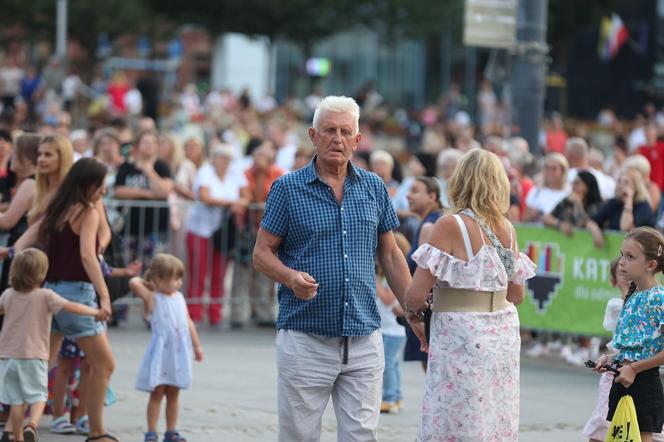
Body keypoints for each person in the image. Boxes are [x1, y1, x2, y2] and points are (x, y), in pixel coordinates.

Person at [253, 96, 418, 441]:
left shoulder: (374, 187)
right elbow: (262, 253)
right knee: (300, 437)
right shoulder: (287, 188)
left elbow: (390, 256)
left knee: (361, 436)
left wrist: (416, 314)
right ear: (313, 136)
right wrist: (290, 277)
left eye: (346, 132)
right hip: (305, 337)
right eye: (329, 130)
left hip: (363, 336)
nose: (337, 139)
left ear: (357, 140)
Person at [404, 148, 536, 441]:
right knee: (494, 412)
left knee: (455, 414)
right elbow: (517, 294)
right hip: (501, 331)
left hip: (460, 331)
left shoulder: (451, 225)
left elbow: (415, 295)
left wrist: (417, 313)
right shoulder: (507, 229)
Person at [9, 158, 117, 442]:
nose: (103, 191)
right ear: (89, 185)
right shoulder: (88, 212)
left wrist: (16, 267)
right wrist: (104, 297)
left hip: (49, 290)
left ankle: (14, 428)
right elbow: (87, 257)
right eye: (101, 185)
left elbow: (23, 242)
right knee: (104, 365)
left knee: (42, 363)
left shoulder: (57, 208)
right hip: (76, 292)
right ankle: (96, 431)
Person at [0, 248, 101, 442]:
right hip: (34, 356)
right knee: (38, 395)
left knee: (16, 400)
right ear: (42, 274)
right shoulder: (46, 295)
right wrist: (95, 312)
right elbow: (73, 307)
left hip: (8, 356)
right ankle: (32, 426)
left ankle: (14, 435)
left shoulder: (8, 295)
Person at [594, 227, 664, 442]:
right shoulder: (632, 296)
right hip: (622, 377)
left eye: (630, 257)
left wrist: (634, 368)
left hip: (643, 381)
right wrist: (611, 358)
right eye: (622, 254)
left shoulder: (659, 299)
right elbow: (629, 344)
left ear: (651, 265)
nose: (622, 262)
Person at [129, 254, 203, 442]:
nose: (179, 283)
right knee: (157, 393)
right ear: (159, 279)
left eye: (180, 278)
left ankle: (171, 431)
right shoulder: (153, 297)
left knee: (174, 393)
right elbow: (134, 282)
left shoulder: (179, 297)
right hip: (162, 354)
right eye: (175, 278)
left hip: (179, 353)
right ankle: (151, 432)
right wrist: (152, 284)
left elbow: (188, 322)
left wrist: (197, 345)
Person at [185, 143, 249, 325]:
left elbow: (246, 195)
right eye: (222, 158)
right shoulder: (205, 171)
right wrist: (232, 203)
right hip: (201, 230)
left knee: (219, 274)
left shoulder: (235, 172)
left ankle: (215, 313)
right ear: (214, 158)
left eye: (228, 158)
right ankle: (194, 312)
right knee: (199, 273)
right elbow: (204, 196)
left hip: (223, 233)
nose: (225, 162)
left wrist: (241, 201)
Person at [403, 177, 444, 371]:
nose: (409, 195)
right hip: (429, 308)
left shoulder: (430, 226)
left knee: (432, 372)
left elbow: (426, 275)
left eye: (415, 191)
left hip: (427, 310)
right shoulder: (429, 222)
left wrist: (413, 308)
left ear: (432, 196)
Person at [376, 232, 409, 414]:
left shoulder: (391, 275)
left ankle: (388, 397)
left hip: (392, 330)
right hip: (389, 328)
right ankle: (397, 396)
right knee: (393, 365)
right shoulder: (385, 275)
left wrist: (376, 282)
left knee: (388, 364)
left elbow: (388, 299)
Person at [587, 168, 656, 247]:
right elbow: (592, 221)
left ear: (636, 187)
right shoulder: (613, 202)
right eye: (619, 181)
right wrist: (596, 231)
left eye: (626, 182)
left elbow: (625, 228)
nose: (621, 185)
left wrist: (628, 200)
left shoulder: (643, 206)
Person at [543, 170, 602, 236]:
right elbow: (546, 218)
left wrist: (578, 204)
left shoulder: (597, 206)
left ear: (588, 186)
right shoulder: (567, 201)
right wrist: (560, 224)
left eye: (577, 183)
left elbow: (584, 224)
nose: (573, 187)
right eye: (572, 183)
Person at [523, 152, 569, 223]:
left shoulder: (569, 193)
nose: (550, 172)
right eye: (547, 168)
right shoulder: (536, 191)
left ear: (562, 171)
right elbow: (524, 219)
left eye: (554, 169)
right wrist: (532, 215)